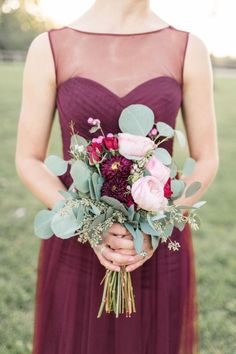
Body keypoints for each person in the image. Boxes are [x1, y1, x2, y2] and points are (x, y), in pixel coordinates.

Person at [15, 0, 219, 353]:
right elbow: (28, 158)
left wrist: (153, 226)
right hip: (76, 247)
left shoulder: (188, 48)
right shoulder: (49, 47)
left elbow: (207, 157)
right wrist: (88, 225)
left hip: (156, 248)